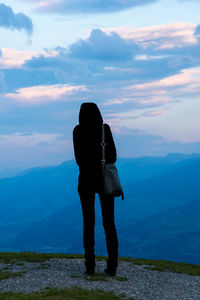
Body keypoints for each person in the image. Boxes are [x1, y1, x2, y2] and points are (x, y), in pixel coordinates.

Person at [73, 102, 118, 276]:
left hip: (85, 181)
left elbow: (78, 160)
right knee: (109, 223)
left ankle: (90, 266)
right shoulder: (104, 129)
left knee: (88, 223)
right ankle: (112, 266)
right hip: (105, 181)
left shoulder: (77, 131)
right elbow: (113, 156)